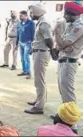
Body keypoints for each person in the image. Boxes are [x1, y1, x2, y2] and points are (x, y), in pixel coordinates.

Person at [53, 2, 83, 132]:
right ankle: (64, 116)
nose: (64, 15)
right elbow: (62, 46)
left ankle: (73, 124)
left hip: (69, 62)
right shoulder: (70, 25)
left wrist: (56, 33)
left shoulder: (79, 27)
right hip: (63, 60)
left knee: (68, 94)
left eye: (66, 13)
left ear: (73, 14)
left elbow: (63, 44)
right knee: (63, 91)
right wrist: (62, 45)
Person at [24, 3, 53, 114]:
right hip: (38, 52)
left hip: (41, 54)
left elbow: (49, 40)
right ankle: (39, 100)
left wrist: (53, 51)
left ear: (37, 12)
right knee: (38, 79)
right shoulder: (40, 22)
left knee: (40, 80)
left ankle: (39, 106)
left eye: (31, 12)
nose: (30, 14)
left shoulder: (44, 23)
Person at [16, 10, 36, 79]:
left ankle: (28, 73)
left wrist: (32, 45)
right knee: (22, 59)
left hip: (28, 43)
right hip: (20, 43)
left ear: (25, 16)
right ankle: (24, 71)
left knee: (26, 58)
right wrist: (16, 44)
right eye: (19, 16)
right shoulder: (20, 23)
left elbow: (34, 34)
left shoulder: (31, 23)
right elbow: (18, 34)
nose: (19, 17)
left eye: (21, 16)